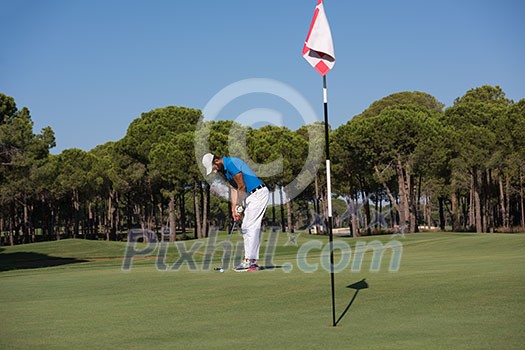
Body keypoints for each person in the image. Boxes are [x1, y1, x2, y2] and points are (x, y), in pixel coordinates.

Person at [202, 153, 269, 272]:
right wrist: (234, 209)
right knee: (246, 226)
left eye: (214, 168)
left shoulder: (231, 163)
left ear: (216, 161)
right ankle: (251, 261)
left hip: (258, 194)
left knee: (250, 226)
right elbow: (234, 189)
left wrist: (239, 205)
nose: (215, 172)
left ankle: (250, 261)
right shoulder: (226, 171)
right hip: (250, 197)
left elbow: (242, 186)